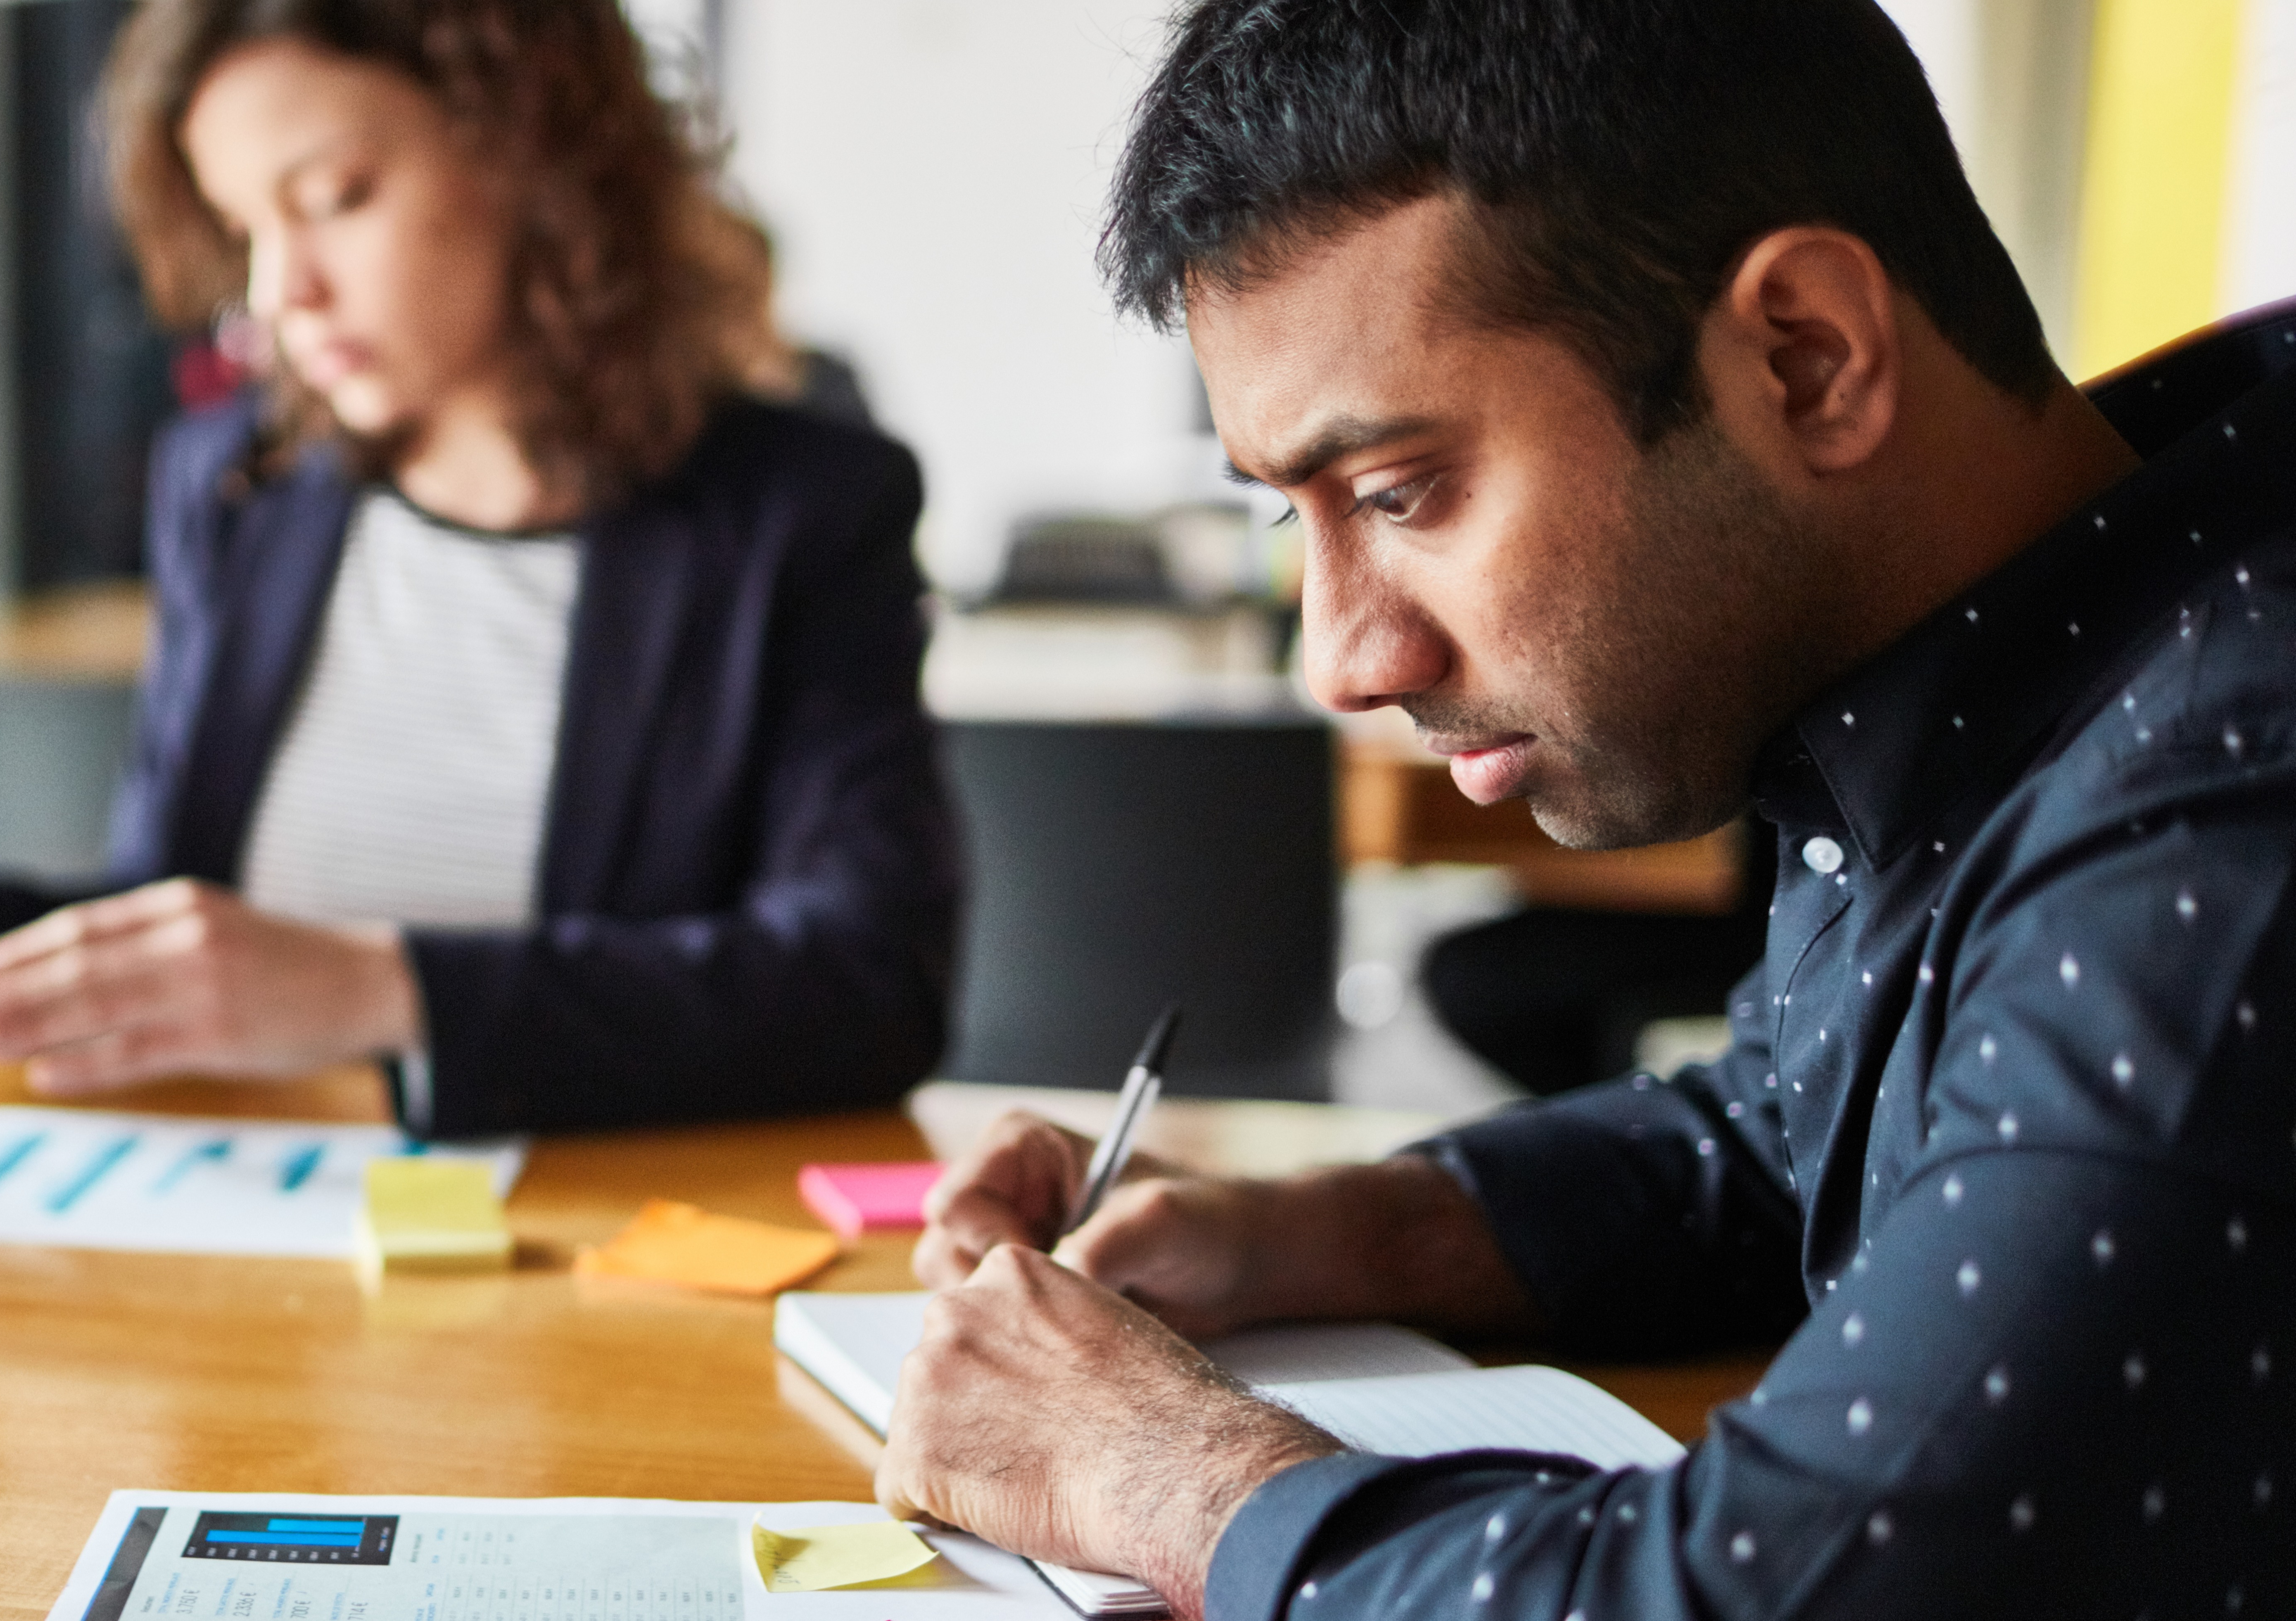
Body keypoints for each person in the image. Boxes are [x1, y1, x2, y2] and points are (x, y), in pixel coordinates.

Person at [873, 2, 2296, 1617]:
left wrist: (1166, 1472)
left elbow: (1797, 1597)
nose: (1342, 656)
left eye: (1398, 494)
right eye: (1295, 516)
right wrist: (1312, 1237)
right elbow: (1783, 1131)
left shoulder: (2220, 796)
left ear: (1803, 357)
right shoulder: (1981, 665)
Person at [0, 0, 960, 1137]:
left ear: (527, 149)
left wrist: (382, 989)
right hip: (245, 1201)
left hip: (580, 1236)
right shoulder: (236, 488)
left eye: (332, 197)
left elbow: (865, 985)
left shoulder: (800, 511)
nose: (282, 294)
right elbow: (186, 916)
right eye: (243, 231)